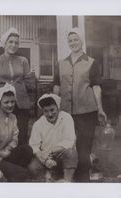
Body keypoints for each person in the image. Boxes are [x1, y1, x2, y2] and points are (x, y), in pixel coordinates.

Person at [53, 27, 107, 182]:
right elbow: (56, 86)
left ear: (82, 41)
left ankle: (83, 178)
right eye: (70, 40)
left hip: (86, 112)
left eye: (76, 39)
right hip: (65, 112)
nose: (73, 42)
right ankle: (66, 174)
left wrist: (100, 109)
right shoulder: (61, 63)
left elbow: (96, 87)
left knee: (84, 147)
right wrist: (54, 106)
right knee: (66, 144)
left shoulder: (91, 62)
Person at [0, 27, 35, 145]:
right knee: (1, 136)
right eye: (11, 42)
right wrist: (0, 97)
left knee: (21, 136)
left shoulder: (23, 61)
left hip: (21, 105)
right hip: (2, 105)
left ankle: (19, 161)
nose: (13, 45)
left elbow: (29, 83)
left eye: (16, 43)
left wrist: (28, 100)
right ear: (4, 43)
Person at [0, 83, 33, 181]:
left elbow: (15, 138)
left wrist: (7, 150)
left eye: (12, 102)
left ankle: (13, 172)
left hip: (7, 153)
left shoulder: (13, 117)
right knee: (24, 173)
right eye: (6, 102)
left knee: (27, 149)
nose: (10, 105)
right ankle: (12, 174)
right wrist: (0, 154)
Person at [28, 94, 78, 182]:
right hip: (45, 156)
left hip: (62, 153)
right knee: (33, 167)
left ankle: (67, 181)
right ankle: (48, 179)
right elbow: (34, 146)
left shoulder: (66, 118)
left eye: (52, 110)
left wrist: (51, 150)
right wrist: (45, 159)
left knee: (71, 153)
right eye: (46, 111)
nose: (50, 114)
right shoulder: (38, 124)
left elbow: (69, 141)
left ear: (58, 108)